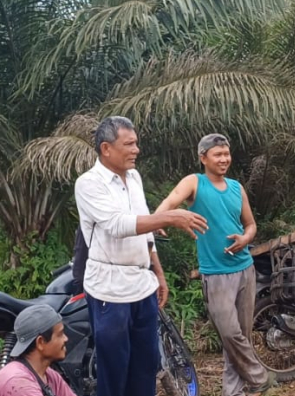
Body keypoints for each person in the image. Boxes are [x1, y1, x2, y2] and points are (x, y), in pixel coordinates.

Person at [74, 116, 208, 396]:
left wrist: (156, 271)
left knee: (146, 367)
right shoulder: (89, 183)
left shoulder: (134, 177)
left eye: (137, 143)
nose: (137, 150)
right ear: (106, 148)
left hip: (142, 286)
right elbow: (117, 224)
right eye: (129, 144)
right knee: (114, 372)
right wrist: (169, 217)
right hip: (109, 292)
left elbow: (145, 225)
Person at [156, 134, 275, 396]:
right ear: (203, 158)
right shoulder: (194, 183)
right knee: (231, 335)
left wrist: (245, 238)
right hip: (216, 274)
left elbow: (251, 225)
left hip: (245, 269)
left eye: (226, 154)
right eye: (217, 154)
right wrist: (158, 219)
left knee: (240, 337)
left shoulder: (236, 188)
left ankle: (234, 392)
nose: (224, 159)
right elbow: (172, 200)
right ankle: (259, 377)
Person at [0, 304, 75, 396]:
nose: (66, 339)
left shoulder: (50, 376)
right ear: (40, 342)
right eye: (60, 334)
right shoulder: (18, 382)